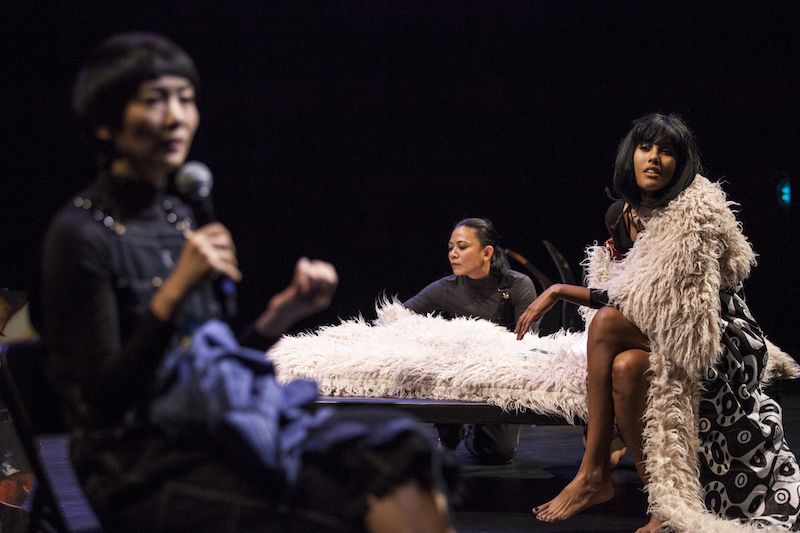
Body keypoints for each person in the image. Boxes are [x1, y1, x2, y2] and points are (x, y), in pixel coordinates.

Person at [38, 32, 456, 533]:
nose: (176, 117)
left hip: (208, 428)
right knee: (340, 500)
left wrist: (282, 314)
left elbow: (213, 366)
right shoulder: (80, 235)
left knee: (398, 450)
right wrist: (174, 292)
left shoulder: (176, 218)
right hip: (135, 463)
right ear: (104, 124)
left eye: (185, 99)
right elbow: (104, 402)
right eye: (155, 100)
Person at [514, 113, 800, 532]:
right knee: (627, 367)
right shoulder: (624, 214)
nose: (653, 158)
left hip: (717, 338)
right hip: (660, 331)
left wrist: (558, 290)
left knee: (606, 324)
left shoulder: (696, 210)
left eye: (666, 151)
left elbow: (648, 301)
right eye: (645, 148)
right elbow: (627, 289)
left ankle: (593, 471)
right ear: (630, 155)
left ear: (680, 163)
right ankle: (662, 507)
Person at [404, 217, 537, 464]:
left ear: (487, 252)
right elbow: (397, 316)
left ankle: (475, 430)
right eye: (450, 248)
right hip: (456, 376)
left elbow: (529, 342)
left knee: (497, 453)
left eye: (462, 247)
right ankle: (449, 431)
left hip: (501, 378)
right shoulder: (446, 288)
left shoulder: (518, 285)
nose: (453, 254)